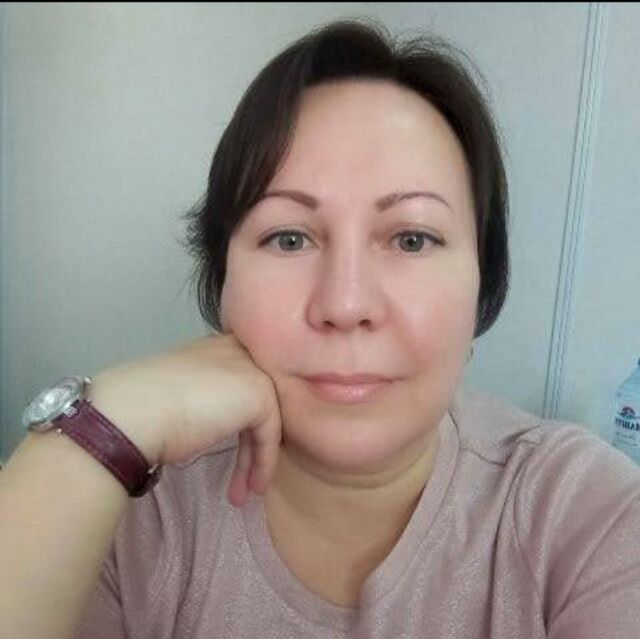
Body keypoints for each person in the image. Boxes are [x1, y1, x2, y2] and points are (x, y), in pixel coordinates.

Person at [1, 18, 639, 639]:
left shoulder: (586, 518)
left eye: (412, 239)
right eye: (289, 238)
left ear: (482, 286)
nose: (345, 303)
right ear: (222, 286)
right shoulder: (123, 510)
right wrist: (102, 425)